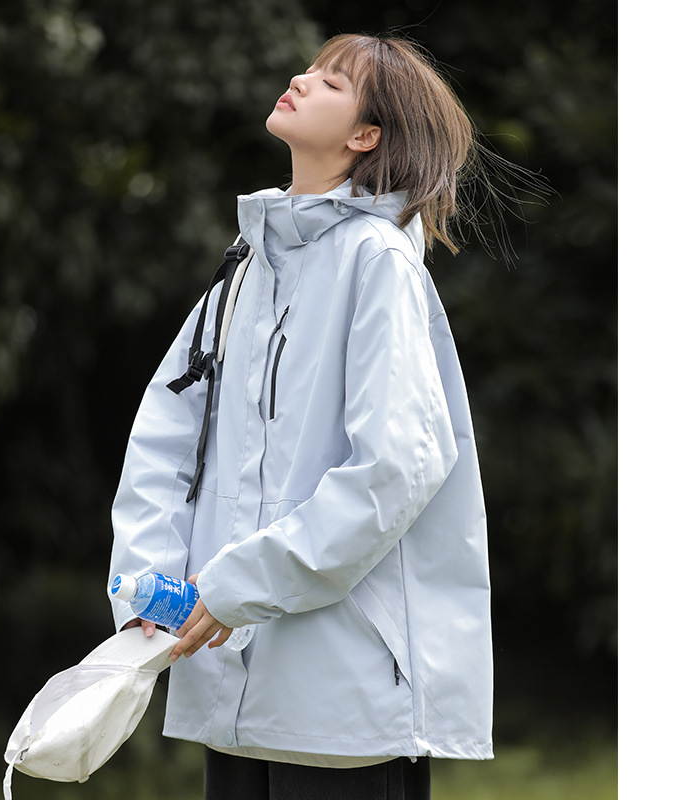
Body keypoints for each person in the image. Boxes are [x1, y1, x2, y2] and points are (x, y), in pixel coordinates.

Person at [109, 33, 499, 800]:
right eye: (310, 70)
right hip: (232, 690)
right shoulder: (248, 263)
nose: (300, 78)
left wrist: (239, 584)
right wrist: (145, 586)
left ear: (366, 136)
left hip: (346, 706)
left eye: (331, 82)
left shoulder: (377, 261)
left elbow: (395, 469)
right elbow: (169, 431)